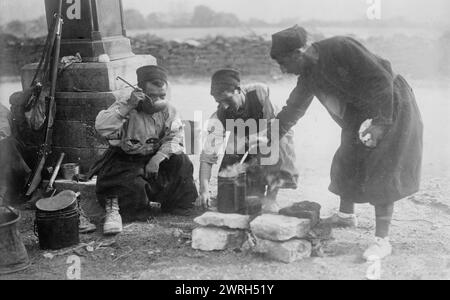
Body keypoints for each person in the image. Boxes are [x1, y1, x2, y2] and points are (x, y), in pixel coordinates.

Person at [267, 25, 423, 260]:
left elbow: (381, 79)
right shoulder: (308, 75)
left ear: (298, 53)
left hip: (391, 104)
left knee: (382, 169)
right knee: (347, 158)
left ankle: (382, 241)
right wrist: (268, 138)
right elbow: (293, 109)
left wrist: (380, 124)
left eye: (283, 63)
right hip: (360, 112)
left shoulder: (341, 47)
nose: (282, 70)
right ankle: (346, 215)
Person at [93, 65, 198, 235]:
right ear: (140, 91)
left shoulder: (168, 110)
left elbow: (175, 137)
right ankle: (135, 208)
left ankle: (174, 205)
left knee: (181, 162)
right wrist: (128, 107)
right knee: (127, 187)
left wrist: (157, 159)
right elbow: (101, 127)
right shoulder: (125, 106)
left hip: (154, 156)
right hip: (127, 159)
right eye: (152, 96)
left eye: (162, 96)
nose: (157, 100)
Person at [197, 69, 299, 213]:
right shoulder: (219, 116)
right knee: (234, 200)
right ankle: (252, 190)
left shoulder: (259, 94)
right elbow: (208, 156)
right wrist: (204, 190)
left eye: (227, 100)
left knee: (276, 146)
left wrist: (257, 139)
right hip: (245, 143)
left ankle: (271, 198)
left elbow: (275, 129)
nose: (224, 106)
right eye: (219, 102)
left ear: (238, 90)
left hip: (272, 136)